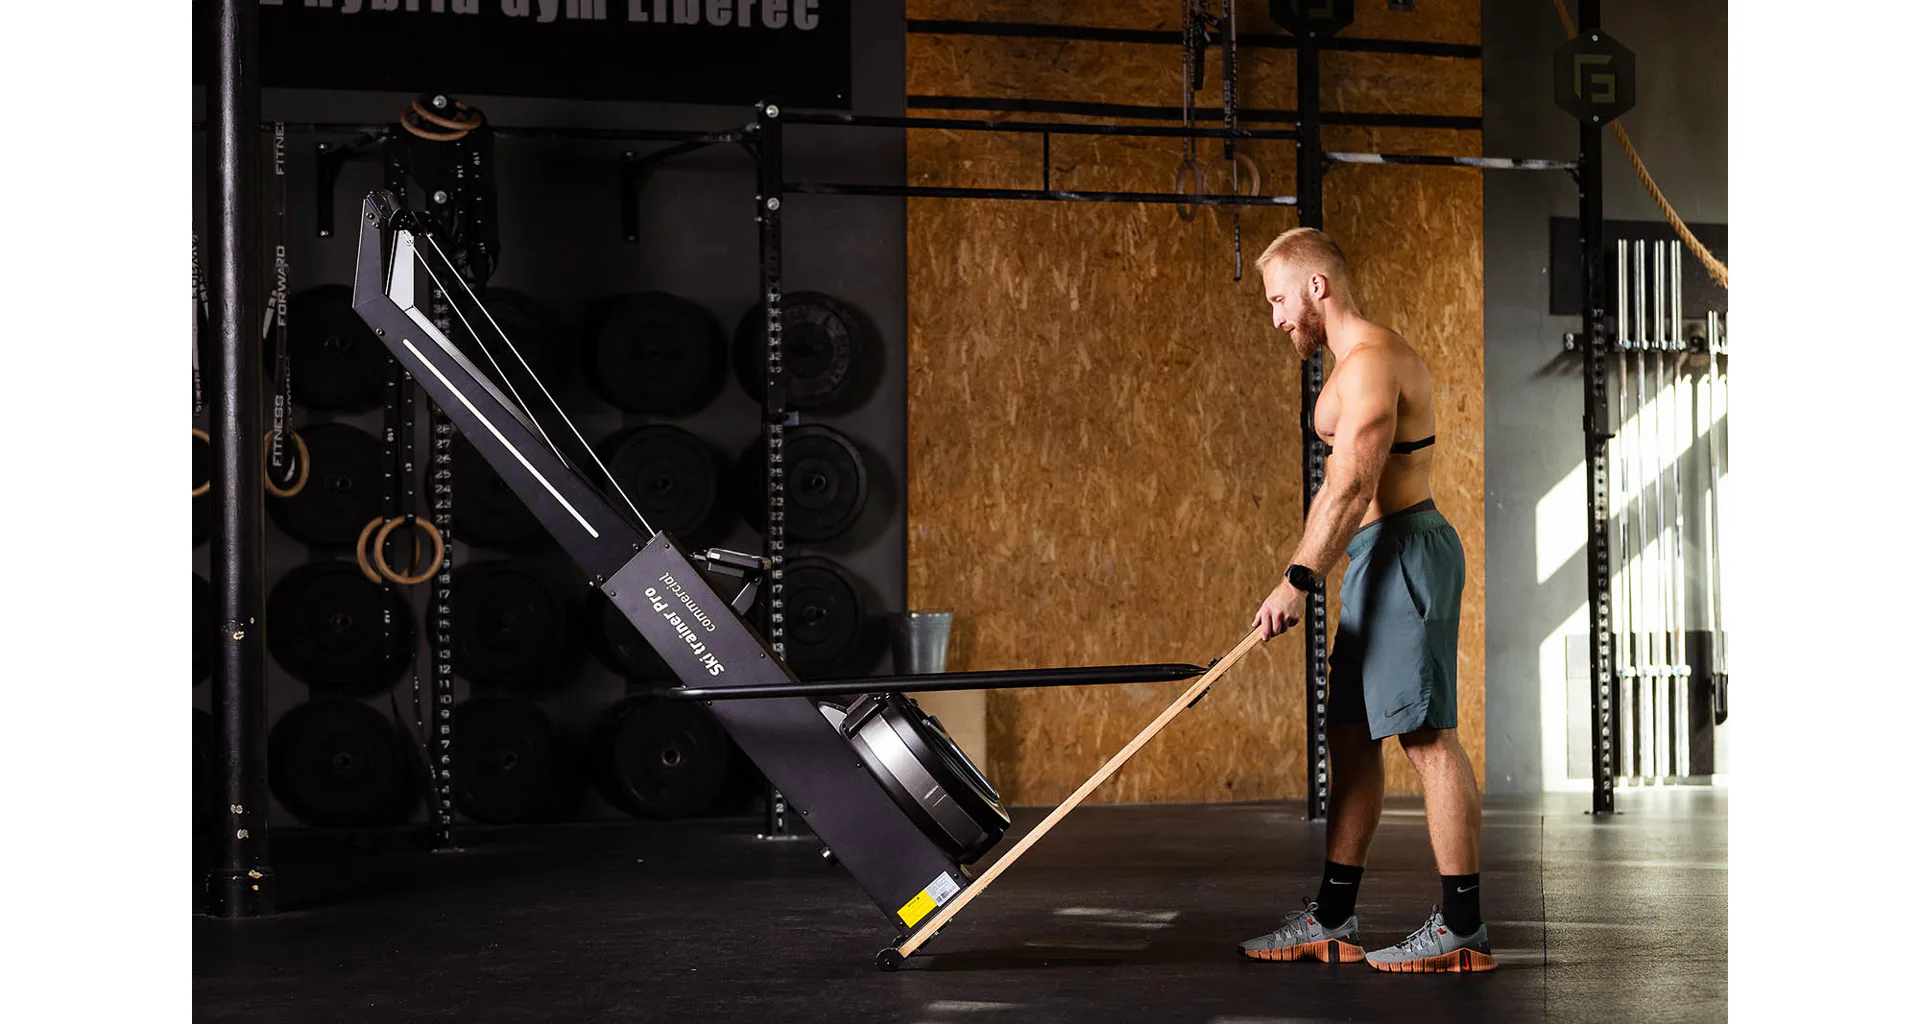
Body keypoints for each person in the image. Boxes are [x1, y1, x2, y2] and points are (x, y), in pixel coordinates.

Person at [1238, 228, 1495, 974]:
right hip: (1375, 559)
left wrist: (1297, 579)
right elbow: (1340, 491)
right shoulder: (1349, 365)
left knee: (1425, 737)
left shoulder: (1373, 364)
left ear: (1317, 287)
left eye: (1280, 300)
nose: (1277, 318)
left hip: (1406, 553)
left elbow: (1351, 483)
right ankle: (1331, 919)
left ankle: (1463, 928)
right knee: (1349, 734)